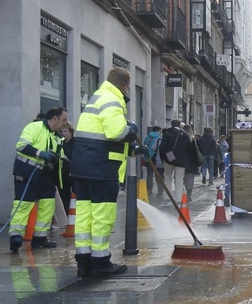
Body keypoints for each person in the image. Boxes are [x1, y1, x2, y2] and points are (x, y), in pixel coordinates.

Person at [72, 68, 143, 277]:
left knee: (84, 216)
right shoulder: (113, 99)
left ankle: (84, 261)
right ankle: (101, 261)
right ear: (125, 86)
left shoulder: (97, 97)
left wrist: (133, 149)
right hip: (102, 169)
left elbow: (101, 135)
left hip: (83, 167)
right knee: (102, 217)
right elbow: (116, 133)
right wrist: (132, 130)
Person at [9, 107, 69, 252]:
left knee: (48, 205)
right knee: (23, 204)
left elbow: (58, 157)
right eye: (63, 120)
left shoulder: (55, 136)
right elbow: (22, 146)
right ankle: (16, 236)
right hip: (27, 173)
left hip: (45, 176)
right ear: (55, 118)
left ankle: (40, 237)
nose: (65, 123)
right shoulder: (34, 127)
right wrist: (41, 154)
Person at [157, 119, 189, 199]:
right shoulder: (185, 134)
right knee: (179, 179)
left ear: (171, 125)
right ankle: (179, 199)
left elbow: (162, 147)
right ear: (180, 125)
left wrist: (163, 158)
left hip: (169, 159)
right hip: (181, 160)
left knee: (167, 178)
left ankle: (167, 198)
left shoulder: (167, 133)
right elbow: (188, 148)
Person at [182, 124, 203, 200]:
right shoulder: (194, 140)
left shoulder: (182, 138)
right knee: (190, 178)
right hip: (192, 162)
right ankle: (189, 195)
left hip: (182, 161)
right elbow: (200, 149)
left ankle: (182, 194)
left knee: (182, 178)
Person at [143, 124, 162, 202]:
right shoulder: (159, 138)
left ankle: (149, 190)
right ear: (157, 130)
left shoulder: (147, 137)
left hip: (148, 158)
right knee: (158, 175)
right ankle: (160, 191)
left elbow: (144, 145)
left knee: (149, 175)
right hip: (156, 158)